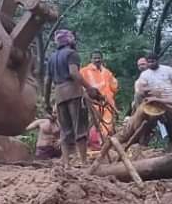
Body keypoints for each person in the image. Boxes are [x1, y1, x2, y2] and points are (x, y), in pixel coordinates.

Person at [43, 30, 98, 163]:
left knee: (65, 130)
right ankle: (84, 162)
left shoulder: (51, 58)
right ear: (69, 40)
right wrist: (89, 88)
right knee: (80, 128)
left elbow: (47, 82)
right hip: (73, 93)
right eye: (73, 38)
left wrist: (47, 102)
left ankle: (66, 163)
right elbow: (74, 73)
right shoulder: (72, 54)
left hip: (59, 95)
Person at [130, 56, 172, 151]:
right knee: (145, 128)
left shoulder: (167, 69)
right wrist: (152, 91)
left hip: (170, 101)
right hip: (155, 106)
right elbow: (141, 89)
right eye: (149, 62)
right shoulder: (145, 75)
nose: (151, 63)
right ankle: (141, 150)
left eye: (153, 61)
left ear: (157, 61)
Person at [82, 51, 119, 137]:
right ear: (91, 59)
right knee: (93, 123)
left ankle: (104, 141)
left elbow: (114, 87)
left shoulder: (107, 72)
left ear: (102, 59)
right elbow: (80, 87)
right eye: (95, 58)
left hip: (107, 102)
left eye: (99, 58)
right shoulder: (84, 71)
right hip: (92, 102)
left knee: (108, 123)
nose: (97, 60)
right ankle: (93, 141)